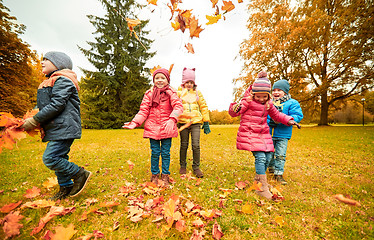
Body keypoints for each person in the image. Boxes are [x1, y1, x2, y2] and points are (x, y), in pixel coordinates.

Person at [21, 51, 91, 200]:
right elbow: (43, 105)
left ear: (59, 64)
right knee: (59, 157)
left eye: (47, 59)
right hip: (55, 127)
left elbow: (57, 104)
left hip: (64, 127)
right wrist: (30, 116)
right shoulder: (51, 82)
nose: (42, 62)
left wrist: (35, 121)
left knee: (51, 158)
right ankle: (65, 186)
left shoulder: (64, 80)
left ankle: (80, 174)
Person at [228, 71, 298, 200]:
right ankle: (262, 188)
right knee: (260, 157)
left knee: (269, 155)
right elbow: (234, 112)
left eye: (264, 97)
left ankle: (258, 181)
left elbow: (277, 115)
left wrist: (289, 119)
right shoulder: (248, 102)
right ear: (253, 94)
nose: (261, 99)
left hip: (263, 133)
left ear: (268, 95)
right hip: (250, 133)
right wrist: (234, 108)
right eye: (258, 96)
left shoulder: (268, 104)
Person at [122, 68, 183, 186]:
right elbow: (143, 111)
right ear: (153, 80)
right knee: (155, 152)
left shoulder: (172, 92)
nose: (160, 80)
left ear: (167, 80)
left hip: (167, 127)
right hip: (153, 128)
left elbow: (178, 107)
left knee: (165, 153)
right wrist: (135, 122)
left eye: (162, 78)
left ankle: (165, 175)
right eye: (157, 78)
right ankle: (154, 174)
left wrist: (172, 119)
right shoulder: (149, 94)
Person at [267, 79, 303, 185]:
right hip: (268, 133)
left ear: (285, 92)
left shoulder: (292, 103)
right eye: (274, 90)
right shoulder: (269, 103)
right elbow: (265, 116)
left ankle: (278, 174)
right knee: (269, 153)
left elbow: (297, 115)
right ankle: (271, 168)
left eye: (279, 90)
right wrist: (270, 121)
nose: (276, 93)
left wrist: (289, 120)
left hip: (282, 134)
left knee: (280, 155)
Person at [177, 68, 210, 178]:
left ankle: (196, 167)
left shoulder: (197, 93)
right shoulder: (179, 93)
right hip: (183, 122)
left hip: (195, 122)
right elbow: (174, 106)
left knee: (196, 145)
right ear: (184, 82)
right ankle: (183, 165)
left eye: (191, 82)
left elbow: (203, 106)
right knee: (184, 145)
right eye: (187, 82)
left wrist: (206, 121)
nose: (189, 84)